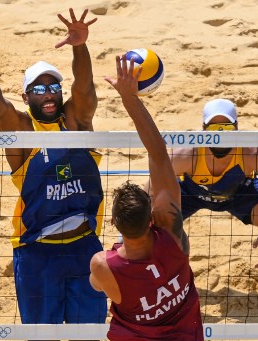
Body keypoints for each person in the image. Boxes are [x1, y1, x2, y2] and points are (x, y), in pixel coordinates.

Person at [0, 8, 107, 326]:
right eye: (38, 89)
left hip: (84, 246)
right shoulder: (22, 130)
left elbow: (85, 89)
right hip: (37, 251)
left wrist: (80, 45)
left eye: (53, 88)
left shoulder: (76, 122)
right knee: (39, 335)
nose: (48, 93)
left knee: (90, 333)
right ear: (26, 95)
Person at [89, 55, 204, 341]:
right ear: (152, 214)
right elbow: (158, 153)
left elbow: (95, 285)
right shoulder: (172, 236)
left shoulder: (104, 265)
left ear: (114, 222)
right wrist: (130, 99)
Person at [159, 98, 258, 289]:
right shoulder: (186, 154)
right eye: (214, 129)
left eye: (226, 128)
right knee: (148, 226)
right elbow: (152, 188)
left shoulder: (252, 152)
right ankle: (157, 290)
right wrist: (166, 229)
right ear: (203, 129)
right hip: (190, 193)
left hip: (239, 192)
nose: (220, 135)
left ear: (236, 128)